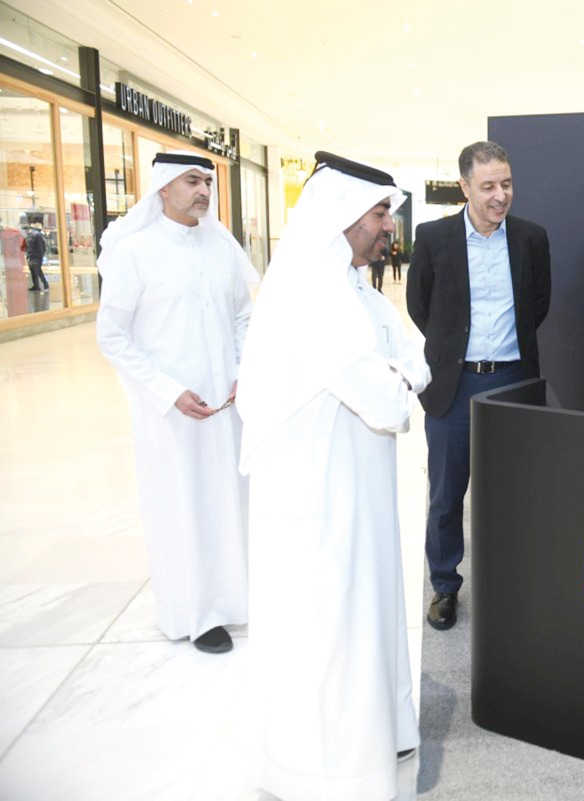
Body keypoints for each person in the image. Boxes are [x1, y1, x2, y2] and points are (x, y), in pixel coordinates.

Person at [236, 151, 429, 801]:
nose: (387, 229)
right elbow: (384, 397)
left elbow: (410, 357)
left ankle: (382, 728)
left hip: (355, 483)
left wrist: (398, 378)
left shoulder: (348, 284)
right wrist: (396, 383)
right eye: (379, 213)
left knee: (366, 608)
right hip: (316, 494)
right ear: (343, 213)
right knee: (330, 625)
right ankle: (332, 772)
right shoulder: (311, 291)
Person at [95, 151, 257, 654]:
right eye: (192, 181)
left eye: (207, 181)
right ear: (163, 187)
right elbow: (112, 336)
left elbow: (243, 318)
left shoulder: (221, 248)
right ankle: (192, 614)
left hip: (223, 406)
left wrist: (240, 374)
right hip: (168, 413)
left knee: (228, 504)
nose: (204, 191)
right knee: (181, 508)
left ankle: (234, 603)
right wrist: (168, 392)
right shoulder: (135, 251)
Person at [406, 140, 551, 631]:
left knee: (516, 492)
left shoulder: (532, 239)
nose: (500, 195)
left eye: (506, 183)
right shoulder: (433, 237)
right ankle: (445, 587)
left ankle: (512, 582)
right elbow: (419, 307)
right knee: (447, 494)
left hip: (514, 382)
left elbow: (539, 305)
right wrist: (452, 353)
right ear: (464, 186)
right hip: (454, 385)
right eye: (488, 186)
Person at [25, 219, 48, 291]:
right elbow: (40, 247)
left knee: (36, 271)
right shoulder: (37, 235)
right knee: (37, 271)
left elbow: (38, 247)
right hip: (35, 256)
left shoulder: (33, 235)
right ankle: (40, 285)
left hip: (34, 256)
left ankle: (42, 285)